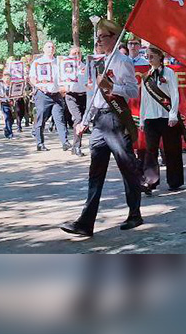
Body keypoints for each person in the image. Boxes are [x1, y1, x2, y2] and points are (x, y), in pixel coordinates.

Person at [60, 19, 149, 238]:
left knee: (127, 167)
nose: (98, 40)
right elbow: (94, 96)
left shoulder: (122, 61)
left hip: (115, 119)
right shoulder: (100, 62)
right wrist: (86, 121)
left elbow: (132, 91)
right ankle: (85, 222)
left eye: (102, 37)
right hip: (100, 121)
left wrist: (112, 86)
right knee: (95, 173)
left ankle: (135, 213)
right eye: (97, 37)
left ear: (112, 38)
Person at [139, 45, 184, 192]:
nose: (149, 59)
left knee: (172, 149)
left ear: (160, 56)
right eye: (147, 56)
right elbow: (144, 100)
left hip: (167, 117)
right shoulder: (146, 76)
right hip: (151, 118)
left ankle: (174, 181)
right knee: (151, 151)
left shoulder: (169, 72)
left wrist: (173, 114)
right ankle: (150, 182)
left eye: (152, 56)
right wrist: (142, 119)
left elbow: (175, 94)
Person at [29, 40, 68, 152]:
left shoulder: (59, 62)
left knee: (59, 119)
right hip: (43, 95)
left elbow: (64, 77)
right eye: (48, 47)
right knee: (41, 119)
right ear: (44, 49)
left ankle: (65, 142)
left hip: (56, 95)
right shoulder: (38, 63)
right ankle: (40, 143)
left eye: (52, 47)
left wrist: (64, 88)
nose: (51, 49)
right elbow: (32, 78)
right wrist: (40, 86)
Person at [62, 45, 90, 157]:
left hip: (83, 96)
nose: (76, 56)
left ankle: (75, 145)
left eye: (78, 53)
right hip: (71, 96)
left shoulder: (85, 67)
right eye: (73, 54)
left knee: (82, 121)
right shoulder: (64, 68)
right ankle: (77, 146)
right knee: (78, 118)